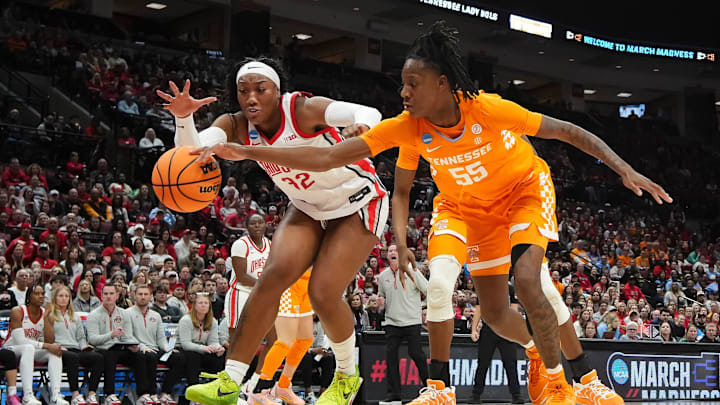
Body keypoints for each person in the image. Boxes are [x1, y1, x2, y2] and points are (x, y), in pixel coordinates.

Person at [197, 22, 667, 405]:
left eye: (412, 84)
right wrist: (248, 152)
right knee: (497, 311)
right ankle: (509, 368)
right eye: (402, 84)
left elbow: (566, 131)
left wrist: (624, 170)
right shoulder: (408, 128)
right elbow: (327, 158)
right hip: (466, 210)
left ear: (443, 84)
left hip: (522, 193)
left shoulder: (489, 108)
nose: (402, 92)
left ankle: (564, 383)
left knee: (529, 280)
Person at [163, 56, 387, 405]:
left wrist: (361, 128)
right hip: (309, 207)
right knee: (272, 277)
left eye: (260, 89)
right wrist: (182, 118)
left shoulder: (301, 109)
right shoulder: (235, 124)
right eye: (243, 91)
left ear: (276, 91)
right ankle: (231, 380)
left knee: (323, 293)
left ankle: (346, 376)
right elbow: (191, 152)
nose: (251, 97)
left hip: (358, 201)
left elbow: (369, 111)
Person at [249, 270, 315, 405]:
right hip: (289, 284)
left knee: (305, 339)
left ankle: (283, 386)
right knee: (285, 341)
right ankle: (260, 389)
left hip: (307, 285)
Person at [378, 244, 429, 404]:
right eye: (390, 251)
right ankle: (394, 394)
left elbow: (428, 289)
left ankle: (429, 388)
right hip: (391, 322)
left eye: (396, 251)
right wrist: (380, 304)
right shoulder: (382, 276)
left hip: (412, 321)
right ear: (387, 256)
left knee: (417, 354)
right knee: (390, 357)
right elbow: (382, 297)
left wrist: (426, 309)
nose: (393, 253)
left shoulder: (412, 271)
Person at [3, 284, 68, 405]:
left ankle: (55, 395)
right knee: (28, 348)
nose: (41, 296)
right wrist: (47, 346)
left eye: (43, 294)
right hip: (12, 348)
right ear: (29, 296)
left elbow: (49, 341)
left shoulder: (45, 313)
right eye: (37, 294)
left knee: (55, 352)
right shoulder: (18, 311)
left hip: (32, 349)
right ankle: (28, 396)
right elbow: (19, 341)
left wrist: (47, 317)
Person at [86, 284, 148, 405]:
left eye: (111, 294)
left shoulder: (124, 314)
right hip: (101, 349)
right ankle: (109, 393)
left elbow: (127, 335)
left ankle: (142, 394)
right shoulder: (93, 315)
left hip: (120, 348)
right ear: (101, 296)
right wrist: (111, 335)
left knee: (139, 355)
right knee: (110, 354)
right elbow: (92, 339)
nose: (108, 297)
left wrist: (134, 345)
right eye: (106, 294)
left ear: (117, 296)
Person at [127, 285, 185, 405]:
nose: (143, 297)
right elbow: (128, 336)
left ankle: (165, 392)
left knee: (179, 358)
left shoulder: (156, 315)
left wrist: (168, 349)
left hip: (154, 349)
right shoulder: (127, 314)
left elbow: (161, 338)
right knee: (148, 356)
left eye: (145, 294)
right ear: (134, 296)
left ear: (150, 297)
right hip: (136, 349)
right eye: (140, 294)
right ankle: (146, 394)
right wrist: (142, 347)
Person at [46, 285, 104, 405]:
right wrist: (56, 345)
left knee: (98, 358)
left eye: (66, 296)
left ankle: (91, 394)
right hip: (58, 349)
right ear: (55, 298)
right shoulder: (49, 315)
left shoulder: (75, 316)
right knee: (73, 357)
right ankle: (75, 395)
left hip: (76, 349)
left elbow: (81, 337)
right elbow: (45, 337)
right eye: (60, 296)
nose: (64, 299)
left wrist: (84, 346)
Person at [470, 306, 523, 404]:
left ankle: (516, 395)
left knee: (510, 364)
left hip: (507, 329)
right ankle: (475, 395)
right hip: (488, 328)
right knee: (483, 363)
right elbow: (479, 309)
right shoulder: (484, 290)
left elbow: (514, 309)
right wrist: (474, 330)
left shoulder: (510, 289)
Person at [177, 293, 225, 387]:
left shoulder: (213, 321)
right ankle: (193, 387)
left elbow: (213, 341)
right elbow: (185, 344)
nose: (203, 305)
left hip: (202, 349)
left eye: (206, 303)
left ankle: (214, 387)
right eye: (200, 303)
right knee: (193, 356)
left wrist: (218, 347)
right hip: (184, 349)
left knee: (218, 357)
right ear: (194, 305)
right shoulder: (186, 320)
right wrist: (203, 348)